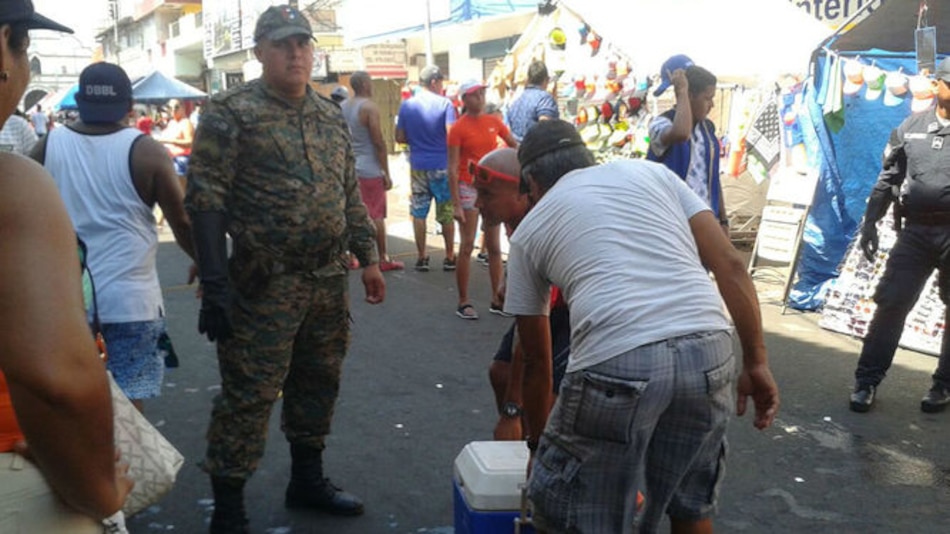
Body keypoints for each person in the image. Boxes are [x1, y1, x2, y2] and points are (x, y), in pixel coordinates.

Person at [506, 120, 779, 533]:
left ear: (530, 181)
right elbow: (730, 264)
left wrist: (539, 445)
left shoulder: (528, 231)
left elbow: (536, 361)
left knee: (575, 515)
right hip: (708, 346)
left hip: (617, 358)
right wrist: (756, 361)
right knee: (691, 504)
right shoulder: (652, 173)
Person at [185, 6, 385, 532]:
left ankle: (307, 480)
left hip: (325, 280)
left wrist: (369, 260)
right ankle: (228, 510)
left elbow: (348, 197)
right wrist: (215, 283)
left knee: (318, 382)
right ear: (259, 52)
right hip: (262, 284)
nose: (295, 53)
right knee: (248, 396)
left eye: (303, 43)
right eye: (282, 44)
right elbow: (205, 200)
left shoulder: (328, 114)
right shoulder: (231, 112)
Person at [0, 3, 132, 526]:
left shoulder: (42, 150)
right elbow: (58, 383)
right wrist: (101, 491)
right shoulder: (11, 186)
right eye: (26, 50)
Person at [30, 62, 197, 413]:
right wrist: (206, 264)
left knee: (75, 400)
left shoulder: (48, 146)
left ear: (80, 101)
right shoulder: (147, 150)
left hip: (69, 302)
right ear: (128, 104)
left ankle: (86, 464)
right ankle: (125, 465)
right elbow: (181, 221)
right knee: (127, 401)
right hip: (131, 303)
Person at [849, 57, 950, 414]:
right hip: (918, 231)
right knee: (892, 303)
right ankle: (867, 382)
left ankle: (942, 385)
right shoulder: (910, 128)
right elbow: (888, 179)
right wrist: (871, 223)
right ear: (938, 87)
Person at [471, 148, 570, 442]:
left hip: (578, 308)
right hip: (553, 303)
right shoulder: (514, 215)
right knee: (500, 373)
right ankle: (526, 443)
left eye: (486, 195)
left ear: (523, 193)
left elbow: (530, 347)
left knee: (547, 395)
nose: (477, 203)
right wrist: (508, 279)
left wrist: (510, 412)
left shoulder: (542, 227)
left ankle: (541, 446)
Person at [447, 79, 517, 319]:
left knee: (495, 247)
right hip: (468, 186)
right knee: (467, 245)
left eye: (482, 93)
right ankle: (463, 301)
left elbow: (514, 147)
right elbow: (453, 167)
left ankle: (498, 298)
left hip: (491, 188)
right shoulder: (458, 128)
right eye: (475, 94)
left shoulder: (493, 122)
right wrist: (456, 203)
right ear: (464, 99)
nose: (480, 98)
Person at [647, 54, 729, 232]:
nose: (712, 105)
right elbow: (681, 133)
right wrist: (681, 92)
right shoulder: (661, 124)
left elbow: (713, 178)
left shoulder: (707, 130)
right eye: (707, 98)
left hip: (707, 222)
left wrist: (723, 220)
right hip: (672, 225)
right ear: (690, 95)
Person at [396, 64, 458, 272]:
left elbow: (400, 137)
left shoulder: (407, 106)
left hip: (418, 166)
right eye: (441, 82)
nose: (442, 86)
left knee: (419, 212)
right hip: (441, 165)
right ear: (434, 82)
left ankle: (422, 257)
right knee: (446, 212)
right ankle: (449, 256)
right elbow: (452, 136)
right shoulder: (445, 105)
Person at [341, 71, 403, 272]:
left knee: (351, 212)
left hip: (350, 167)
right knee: (376, 214)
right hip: (369, 168)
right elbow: (378, 141)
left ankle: (351, 256)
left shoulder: (342, 107)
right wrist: (385, 171)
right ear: (366, 85)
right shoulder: (369, 107)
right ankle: (382, 257)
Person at [506, 60, 558, 141]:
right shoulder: (545, 99)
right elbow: (545, 128)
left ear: (528, 79)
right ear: (546, 80)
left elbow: (508, 131)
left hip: (518, 150)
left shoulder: (515, 103)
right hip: (537, 150)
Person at [160, 98, 194, 186]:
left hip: (181, 160)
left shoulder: (185, 123)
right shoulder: (172, 122)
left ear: (183, 108)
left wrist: (167, 141)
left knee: (180, 190)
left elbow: (190, 143)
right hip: (170, 159)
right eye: (170, 107)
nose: (173, 110)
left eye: (176, 107)